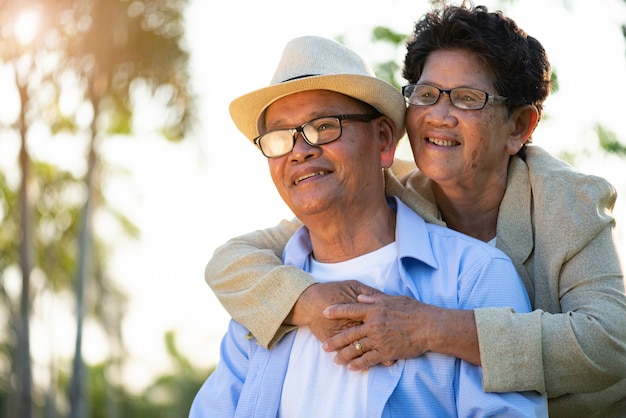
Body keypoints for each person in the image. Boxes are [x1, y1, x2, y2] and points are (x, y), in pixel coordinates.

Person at [203, 4, 626, 418]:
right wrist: (308, 301)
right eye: (426, 95)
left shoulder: (566, 203)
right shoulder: (393, 187)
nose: (439, 117)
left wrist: (429, 328)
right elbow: (235, 259)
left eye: (466, 99)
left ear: (518, 127)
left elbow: (611, 342)